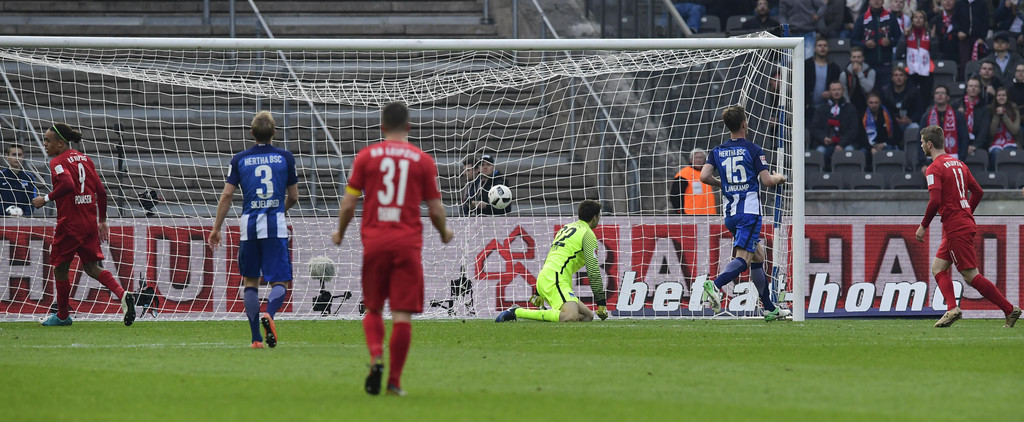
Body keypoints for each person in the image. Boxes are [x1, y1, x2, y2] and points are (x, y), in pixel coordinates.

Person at [331, 102, 454, 397]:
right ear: (408, 127)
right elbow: (435, 209)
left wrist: (340, 232)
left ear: (382, 127)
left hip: (375, 242)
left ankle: (376, 356)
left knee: (373, 308)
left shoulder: (366, 157)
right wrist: (444, 232)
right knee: (401, 315)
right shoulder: (422, 160)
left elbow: (348, 204)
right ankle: (394, 382)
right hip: (406, 244)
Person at [915, 125, 1021, 328]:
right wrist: (966, 213)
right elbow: (978, 192)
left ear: (929, 144)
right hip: (960, 224)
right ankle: (952, 308)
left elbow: (935, 201)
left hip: (956, 227)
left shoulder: (934, 168)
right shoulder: (959, 164)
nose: (921, 146)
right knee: (938, 267)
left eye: (921, 143)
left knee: (970, 275)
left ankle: (1010, 309)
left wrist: (923, 226)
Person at [208, 111, 298, 349]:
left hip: (249, 227)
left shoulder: (239, 160)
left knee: (250, 282)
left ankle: (256, 338)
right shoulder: (285, 158)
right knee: (280, 281)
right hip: (275, 226)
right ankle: (270, 314)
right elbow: (294, 197)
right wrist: (277, 210)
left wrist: (216, 228)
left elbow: (227, 195)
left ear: (251, 133)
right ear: (274, 132)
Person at [32, 123, 136, 327]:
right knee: (91, 266)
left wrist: (45, 198)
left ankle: (62, 316)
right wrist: (102, 220)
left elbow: (68, 184)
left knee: (60, 269)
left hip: (70, 224)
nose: (44, 144)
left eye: (47, 140)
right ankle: (123, 294)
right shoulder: (85, 159)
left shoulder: (57, 162)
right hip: (88, 222)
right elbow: (101, 191)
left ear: (60, 143)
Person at [699, 105, 790, 322]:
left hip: (731, 214)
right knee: (744, 258)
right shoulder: (753, 149)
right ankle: (715, 285)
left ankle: (769, 308)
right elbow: (767, 181)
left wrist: (722, 184)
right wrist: (779, 178)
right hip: (749, 212)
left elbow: (703, 176)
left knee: (758, 256)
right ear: (744, 124)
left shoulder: (718, 150)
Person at [495, 199, 608, 323]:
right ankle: (516, 311)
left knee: (587, 316)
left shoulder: (566, 228)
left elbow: (551, 256)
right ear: (594, 217)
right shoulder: (588, 235)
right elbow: (593, 271)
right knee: (571, 316)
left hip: (548, 276)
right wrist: (601, 303)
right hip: (556, 279)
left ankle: (545, 315)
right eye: (599, 215)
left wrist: (538, 291)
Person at [853, 0, 903, 83]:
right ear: (869, 1)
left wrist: (890, 42)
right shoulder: (862, 18)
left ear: (883, 1)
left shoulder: (891, 18)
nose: (876, 1)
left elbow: (900, 40)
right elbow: (853, 41)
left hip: (886, 65)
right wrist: (865, 44)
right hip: (867, 65)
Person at [811, 81, 861, 161]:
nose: (836, 92)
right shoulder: (821, 109)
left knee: (849, 152)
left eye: (839, 89)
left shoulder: (850, 108)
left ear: (843, 91)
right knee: (819, 153)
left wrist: (841, 144)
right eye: (834, 90)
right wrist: (824, 138)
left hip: (845, 144)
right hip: (825, 144)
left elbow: (853, 130)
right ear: (829, 91)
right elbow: (815, 128)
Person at [920, 85, 969, 160]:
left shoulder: (958, 116)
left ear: (948, 97)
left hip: (954, 158)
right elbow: (921, 139)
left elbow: (964, 137)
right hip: (931, 160)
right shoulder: (926, 117)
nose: (940, 95)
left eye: (942, 93)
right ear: (934, 97)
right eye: (937, 93)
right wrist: (923, 162)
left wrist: (961, 157)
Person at [897, 10, 934, 97]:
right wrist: (904, 37)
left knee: (925, 96)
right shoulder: (907, 33)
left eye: (921, 17)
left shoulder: (929, 34)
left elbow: (935, 54)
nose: (918, 19)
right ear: (912, 20)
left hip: (926, 70)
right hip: (911, 70)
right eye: (916, 17)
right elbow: (899, 52)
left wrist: (933, 39)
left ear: (924, 21)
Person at [805, 37, 843, 121]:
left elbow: (837, 85)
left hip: (827, 108)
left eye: (825, 46)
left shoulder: (834, 68)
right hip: (807, 108)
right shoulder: (806, 65)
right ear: (815, 49)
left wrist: (830, 92)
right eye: (819, 45)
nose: (822, 47)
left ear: (828, 49)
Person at [670, 148, 716, 214]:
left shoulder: (708, 174)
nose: (699, 160)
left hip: (710, 214)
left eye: (701, 158)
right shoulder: (684, 174)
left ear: (705, 160)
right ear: (691, 160)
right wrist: (680, 212)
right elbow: (674, 196)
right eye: (696, 158)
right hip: (691, 214)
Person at [952, 76, 990, 156]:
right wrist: (958, 115)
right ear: (967, 89)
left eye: (976, 86)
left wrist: (975, 145)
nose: (973, 88)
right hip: (958, 141)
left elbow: (984, 130)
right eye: (971, 86)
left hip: (976, 142)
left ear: (980, 90)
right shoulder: (956, 104)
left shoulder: (983, 108)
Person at [881, 66, 926, 133]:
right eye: (896, 75)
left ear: (905, 77)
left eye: (901, 75)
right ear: (892, 78)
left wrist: (910, 120)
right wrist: (893, 119)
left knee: (915, 127)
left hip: (909, 122)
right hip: (891, 122)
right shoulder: (885, 92)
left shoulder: (914, 91)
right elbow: (883, 110)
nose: (898, 77)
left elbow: (919, 111)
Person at [985, 87, 1021, 169]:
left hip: (1011, 141)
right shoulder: (990, 109)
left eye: (1004, 95)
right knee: (996, 153)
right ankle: (996, 174)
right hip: (995, 143)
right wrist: (997, 116)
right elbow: (991, 133)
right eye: (999, 95)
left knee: (1008, 152)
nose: (1001, 97)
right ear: (996, 97)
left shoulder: (1013, 108)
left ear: (1007, 97)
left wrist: (1004, 115)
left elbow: (1015, 130)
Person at [954, 0, 989, 80]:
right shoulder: (959, 3)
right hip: (964, 38)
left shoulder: (982, 3)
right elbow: (955, 20)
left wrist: (982, 37)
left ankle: (978, 81)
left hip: (977, 39)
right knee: (964, 62)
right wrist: (958, 31)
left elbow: (985, 21)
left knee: (978, 62)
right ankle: (964, 81)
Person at [1, 144, 37, 217]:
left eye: (19, 155)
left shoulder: (29, 178)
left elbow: (32, 201)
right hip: (2, 219)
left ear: (23, 157)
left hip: (24, 219)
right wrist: (7, 214)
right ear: (7, 156)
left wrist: (25, 215)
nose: (17, 158)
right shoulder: (1, 176)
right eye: (14, 155)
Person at [840, 46, 877, 114]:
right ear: (850, 58)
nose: (856, 59)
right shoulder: (844, 74)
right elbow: (844, 93)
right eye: (854, 57)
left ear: (863, 58)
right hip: (850, 105)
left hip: (867, 105)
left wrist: (859, 73)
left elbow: (868, 89)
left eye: (859, 57)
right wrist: (849, 107)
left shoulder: (870, 71)